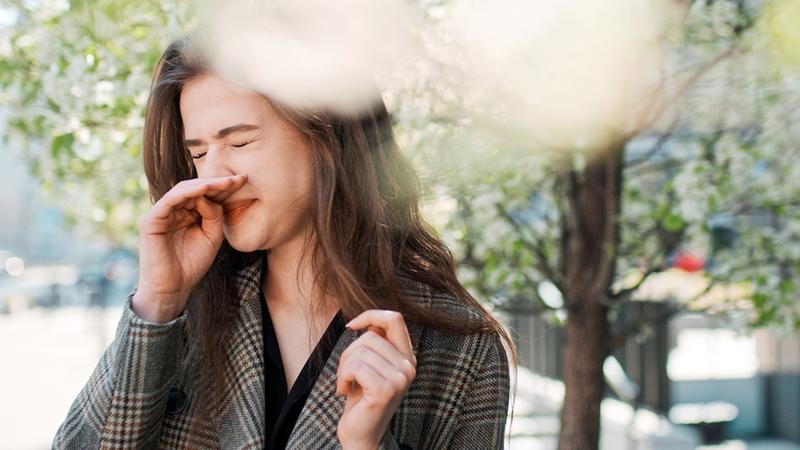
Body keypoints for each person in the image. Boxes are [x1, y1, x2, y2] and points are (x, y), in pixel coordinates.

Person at [52, 36, 516, 450]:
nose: (213, 175)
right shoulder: (179, 321)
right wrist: (156, 304)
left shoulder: (460, 350)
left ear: (328, 138)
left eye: (240, 142)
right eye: (197, 153)